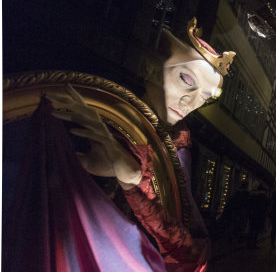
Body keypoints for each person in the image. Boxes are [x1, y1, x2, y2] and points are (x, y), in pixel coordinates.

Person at [38, 18, 235, 271]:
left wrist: (134, 181)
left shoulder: (178, 148)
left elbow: (188, 250)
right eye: (186, 80)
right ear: (150, 68)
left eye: (205, 98)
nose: (190, 102)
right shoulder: (103, 114)